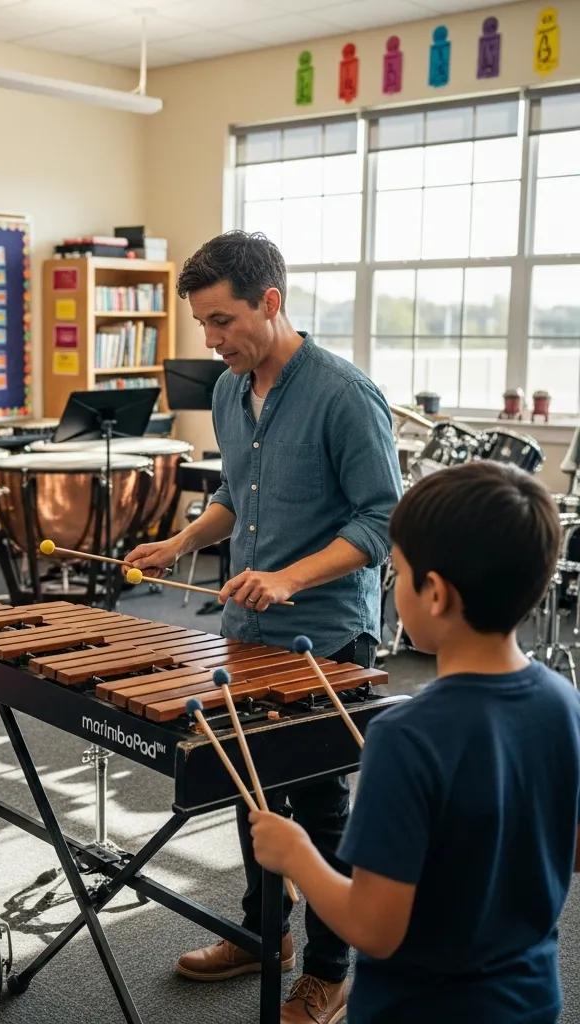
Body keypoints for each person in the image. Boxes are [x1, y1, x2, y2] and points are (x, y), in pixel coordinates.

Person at [126, 231, 402, 1023]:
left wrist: (289, 576)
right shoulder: (226, 390)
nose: (211, 343)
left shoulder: (345, 395)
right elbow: (236, 500)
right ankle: (261, 935)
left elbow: (381, 520)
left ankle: (329, 967)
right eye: (203, 327)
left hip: (325, 636)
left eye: (221, 322)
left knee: (318, 805)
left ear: (270, 302)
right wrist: (181, 539)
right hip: (243, 631)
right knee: (254, 794)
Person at [251, 462, 580, 1022]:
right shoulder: (566, 704)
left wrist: (297, 856)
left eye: (395, 573)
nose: (391, 587)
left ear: (435, 594)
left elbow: (374, 931)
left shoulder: (406, 737)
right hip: (529, 999)